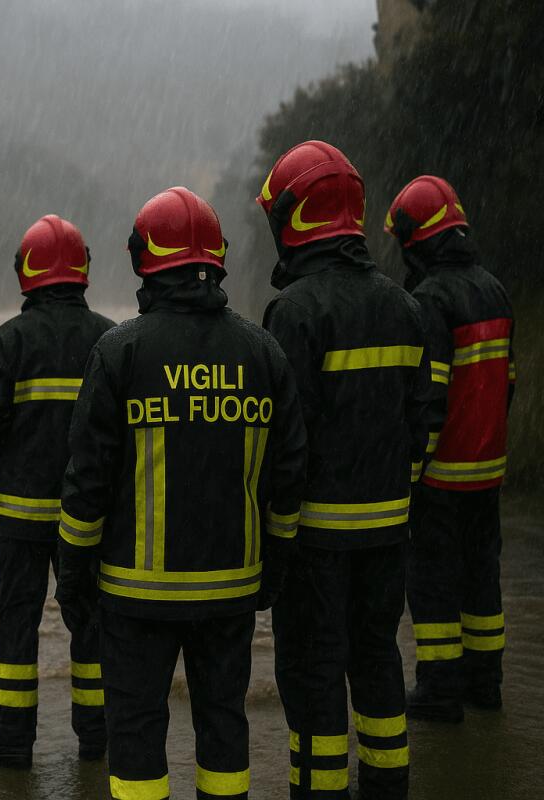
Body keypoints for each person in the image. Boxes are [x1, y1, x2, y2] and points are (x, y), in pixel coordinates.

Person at [57, 186, 306, 800]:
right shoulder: (263, 352)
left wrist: (73, 578)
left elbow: (85, 483)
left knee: (137, 737)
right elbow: (289, 476)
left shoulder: (119, 352)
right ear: (216, 258)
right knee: (224, 730)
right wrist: (272, 570)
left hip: (134, 598)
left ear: (146, 261)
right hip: (230, 594)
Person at [257, 141, 434, 799]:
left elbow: (284, 449)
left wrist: (273, 545)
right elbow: (423, 428)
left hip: (315, 545)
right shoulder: (406, 308)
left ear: (293, 220)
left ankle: (320, 789)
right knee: (379, 661)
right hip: (389, 538)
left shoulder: (294, 313)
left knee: (312, 673)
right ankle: (388, 787)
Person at [0, 214, 115, 768]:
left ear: (26, 270)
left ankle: (11, 740)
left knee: (17, 627)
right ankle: (98, 739)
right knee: (92, 624)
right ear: (82, 269)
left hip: (22, 522)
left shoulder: (10, 341)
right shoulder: (109, 337)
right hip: (89, 521)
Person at [385, 175, 515, 722]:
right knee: (482, 578)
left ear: (419, 237)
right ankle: (485, 684)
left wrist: (413, 469)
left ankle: (439, 690)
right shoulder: (494, 289)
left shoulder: (430, 299)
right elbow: (507, 383)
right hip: (488, 472)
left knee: (432, 583)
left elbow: (429, 399)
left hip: (441, 477)